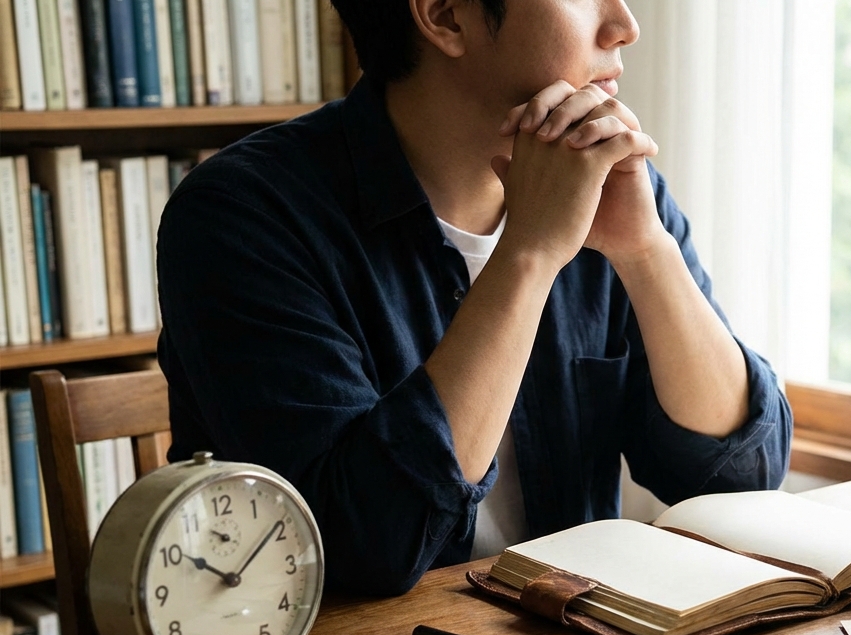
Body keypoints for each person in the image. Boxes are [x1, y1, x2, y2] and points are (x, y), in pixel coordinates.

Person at [155, 0, 792, 597]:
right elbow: (361, 549)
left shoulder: (609, 181)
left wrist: (647, 252)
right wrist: (531, 254)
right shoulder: (242, 215)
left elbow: (740, 478)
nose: (624, 23)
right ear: (445, 16)